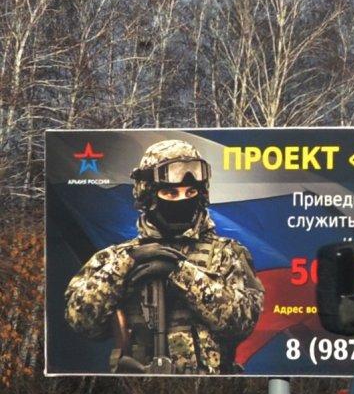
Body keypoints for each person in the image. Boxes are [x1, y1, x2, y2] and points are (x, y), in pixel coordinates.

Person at [65, 139, 264, 374]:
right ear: (149, 195)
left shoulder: (228, 254)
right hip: (137, 392)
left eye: (190, 192)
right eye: (170, 193)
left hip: (209, 392)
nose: (182, 201)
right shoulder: (114, 258)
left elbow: (240, 324)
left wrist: (181, 273)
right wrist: (126, 265)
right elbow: (82, 322)